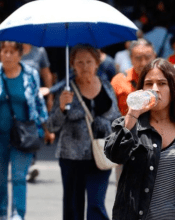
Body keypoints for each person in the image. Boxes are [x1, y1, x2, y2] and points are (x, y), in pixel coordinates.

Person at [105, 58, 175, 220]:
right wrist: (131, 116)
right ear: (141, 89)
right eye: (149, 84)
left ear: (173, 88)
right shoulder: (129, 125)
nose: (155, 89)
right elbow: (114, 155)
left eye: (162, 83)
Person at [0, 41, 48, 220]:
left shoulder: (30, 74)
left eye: (13, 52)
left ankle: (17, 215)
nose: (8, 55)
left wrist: (46, 129)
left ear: (20, 55)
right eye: (5, 51)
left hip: (23, 135)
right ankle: (1, 213)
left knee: (19, 177)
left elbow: (38, 102)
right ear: (0, 54)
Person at [46, 44, 121, 220]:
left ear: (97, 63)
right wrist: (62, 108)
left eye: (89, 61)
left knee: (96, 204)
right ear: (72, 64)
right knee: (73, 206)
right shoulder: (66, 90)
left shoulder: (106, 86)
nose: (85, 66)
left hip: (102, 153)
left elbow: (116, 118)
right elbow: (51, 126)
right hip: (72, 157)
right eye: (79, 62)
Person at [111, 38, 156, 184]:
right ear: (130, 58)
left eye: (147, 58)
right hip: (126, 144)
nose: (143, 63)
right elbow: (110, 113)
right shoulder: (119, 80)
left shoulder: (163, 81)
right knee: (125, 195)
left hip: (156, 144)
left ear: (154, 56)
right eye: (138, 58)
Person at [21, 43, 55, 183]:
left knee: (33, 131)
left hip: (34, 100)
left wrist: (50, 96)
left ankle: (30, 164)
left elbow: (46, 74)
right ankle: (22, 165)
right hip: (16, 99)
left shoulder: (39, 51)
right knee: (18, 132)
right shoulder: (13, 49)